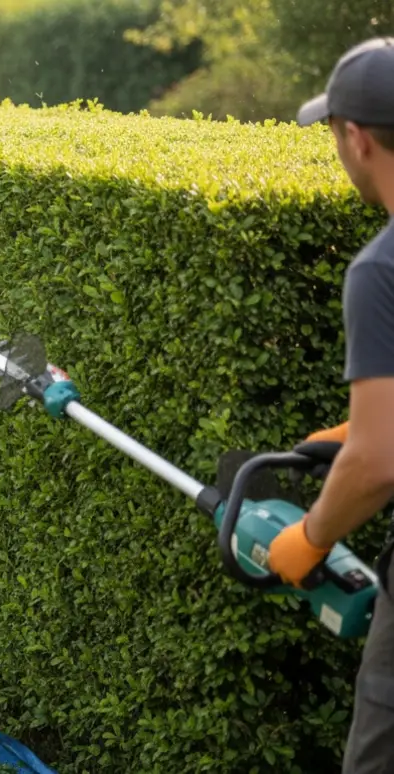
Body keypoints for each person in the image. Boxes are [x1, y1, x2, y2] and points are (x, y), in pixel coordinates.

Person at [269, 36, 394, 774]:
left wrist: (312, 536)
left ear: (355, 137)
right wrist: (357, 428)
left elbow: (379, 465)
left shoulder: (381, 270)